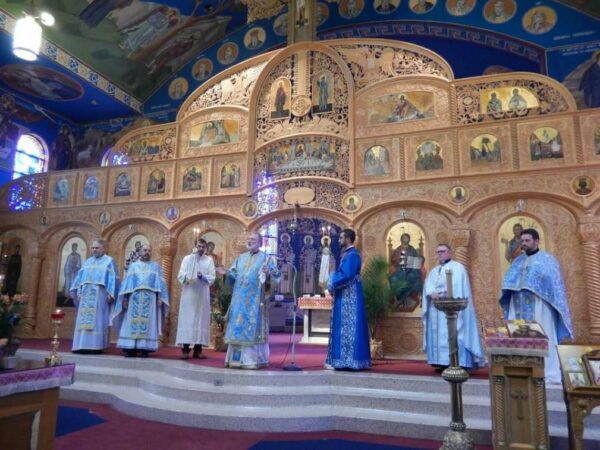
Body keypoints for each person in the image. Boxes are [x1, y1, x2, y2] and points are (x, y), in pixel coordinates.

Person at [500, 228, 574, 384]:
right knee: (518, 335)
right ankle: (521, 370)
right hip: (518, 304)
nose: (524, 244)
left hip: (539, 305)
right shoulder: (517, 261)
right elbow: (509, 281)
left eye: (527, 240)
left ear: (536, 241)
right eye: (522, 241)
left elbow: (554, 285)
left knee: (543, 334)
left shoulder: (548, 260)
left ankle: (547, 371)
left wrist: (534, 284)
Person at [422, 244, 485, 371]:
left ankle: (459, 363)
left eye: (443, 251)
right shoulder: (434, 271)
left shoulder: (458, 268)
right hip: (436, 310)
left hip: (452, 310)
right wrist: (431, 293)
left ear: (450, 252)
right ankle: (442, 363)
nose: (440, 254)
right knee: (439, 335)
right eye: (438, 252)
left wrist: (442, 293)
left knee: (455, 333)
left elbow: (457, 288)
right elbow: (428, 286)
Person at [222, 233, 281, 369]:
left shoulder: (266, 259)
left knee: (251, 326)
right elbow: (233, 275)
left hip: (255, 302)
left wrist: (268, 274)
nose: (249, 241)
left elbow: (276, 277)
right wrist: (226, 274)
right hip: (238, 300)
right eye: (248, 239)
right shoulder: (240, 258)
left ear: (260, 243)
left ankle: (251, 360)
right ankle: (234, 360)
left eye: (253, 239)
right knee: (237, 327)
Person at [112, 244, 169, 357]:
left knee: (148, 323)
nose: (147, 252)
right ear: (140, 252)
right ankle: (130, 348)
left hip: (150, 298)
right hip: (134, 297)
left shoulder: (155, 267)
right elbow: (127, 284)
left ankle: (144, 348)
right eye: (144, 250)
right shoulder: (133, 266)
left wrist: (160, 297)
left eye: (149, 250)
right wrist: (125, 298)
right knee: (131, 322)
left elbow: (161, 284)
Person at [325, 229, 370, 370]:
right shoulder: (348, 254)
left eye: (341, 238)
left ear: (348, 239)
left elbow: (346, 275)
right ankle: (343, 360)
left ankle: (348, 361)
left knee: (349, 327)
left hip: (350, 297)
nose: (339, 240)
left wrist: (331, 279)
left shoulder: (352, 255)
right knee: (344, 327)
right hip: (345, 294)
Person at [69, 240, 118, 354]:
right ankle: (81, 345)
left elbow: (113, 278)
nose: (94, 250)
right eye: (93, 248)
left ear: (103, 249)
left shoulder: (109, 261)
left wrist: (111, 293)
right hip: (85, 294)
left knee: (98, 320)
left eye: (97, 248)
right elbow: (80, 278)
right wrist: (77, 290)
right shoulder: (88, 261)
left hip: (100, 293)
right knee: (83, 320)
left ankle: (96, 347)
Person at [176, 239, 216, 360]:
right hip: (189, 294)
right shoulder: (187, 259)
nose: (201, 249)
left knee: (201, 321)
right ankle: (185, 350)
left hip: (202, 294)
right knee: (187, 321)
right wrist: (189, 276)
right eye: (199, 246)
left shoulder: (209, 260)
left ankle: (198, 350)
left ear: (206, 248)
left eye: (203, 247)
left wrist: (202, 276)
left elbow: (212, 277)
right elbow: (180, 275)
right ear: (195, 246)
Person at [389, 233, 423, 311]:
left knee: (412, 277)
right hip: (400, 269)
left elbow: (417, 260)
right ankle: (398, 298)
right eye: (404, 238)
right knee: (393, 278)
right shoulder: (398, 249)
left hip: (411, 269)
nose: (405, 239)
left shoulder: (412, 249)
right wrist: (399, 260)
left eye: (407, 238)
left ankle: (405, 298)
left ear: (409, 239)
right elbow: (393, 260)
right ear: (401, 239)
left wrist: (410, 261)